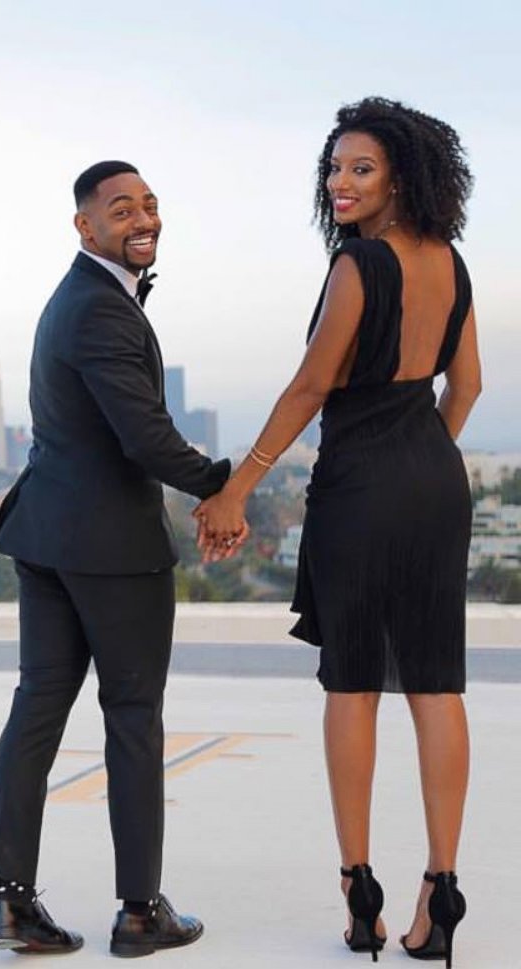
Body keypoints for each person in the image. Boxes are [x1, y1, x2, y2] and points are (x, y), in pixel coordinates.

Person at [195, 97, 479, 966]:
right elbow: (464, 389)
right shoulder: (453, 264)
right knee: (436, 683)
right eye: (335, 167)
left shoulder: (358, 265)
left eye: (362, 168)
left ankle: (360, 890)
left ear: (402, 175)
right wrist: (419, 467)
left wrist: (236, 487)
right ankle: (443, 887)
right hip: (435, 481)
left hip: (359, 486)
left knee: (352, 682)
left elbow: (311, 384)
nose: (342, 182)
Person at [0, 160, 240, 958]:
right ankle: (139, 910)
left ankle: (13, 904)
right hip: (110, 549)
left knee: (39, 710)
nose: (142, 218)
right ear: (85, 226)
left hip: (49, 537)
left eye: (151, 204)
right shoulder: (99, 309)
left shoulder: (79, 300)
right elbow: (144, 437)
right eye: (121, 208)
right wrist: (222, 487)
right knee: (132, 720)